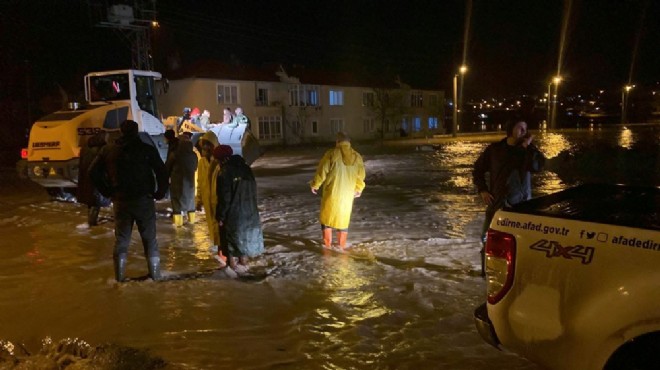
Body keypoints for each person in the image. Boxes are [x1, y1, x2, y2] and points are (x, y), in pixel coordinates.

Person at [89, 120, 169, 282]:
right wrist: (160, 192)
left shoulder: (108, 150)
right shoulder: (146, 149)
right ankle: (155, 277)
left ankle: (119, 279)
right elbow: (161, 171)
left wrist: (108, 191)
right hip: (144, 199)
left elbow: (93, 172)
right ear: (136, 131)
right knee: (149, 239)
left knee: (122, 239)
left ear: (121, 132)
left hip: (120, 200)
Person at [472, 117, 545, 276]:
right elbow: (478, 170)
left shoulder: (528, 151)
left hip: (521, 205)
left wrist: (529, 148)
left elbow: (537, 166)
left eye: (525, 129)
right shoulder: (495, 150)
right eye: (520, 128)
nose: (524, 132)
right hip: (497, 202)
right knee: (486, 238)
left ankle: (516, 273)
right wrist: (483, 190)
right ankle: (486, 273)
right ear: (510, 129)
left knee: (520, 241)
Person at [309, 131, 366, 250]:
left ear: (337, 142)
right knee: (343, 220)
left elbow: (322, 171)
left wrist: (315, 184)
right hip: (347, 195)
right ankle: (341, 246)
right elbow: (360, 176)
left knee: (326, 219)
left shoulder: (331, 154)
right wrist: (359, 188)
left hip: (332, 193)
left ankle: (327, 245)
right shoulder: (357, 157)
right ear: (349, 142)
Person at [214, 145, 264, 275]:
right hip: (250, 212)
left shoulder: (224, 172)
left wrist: (221, 216)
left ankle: (231, 269)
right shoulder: (246, 168)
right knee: (243, 243)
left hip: (233, 213)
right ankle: (244, 266)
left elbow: (224, 197)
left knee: (229, 242)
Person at [196, 131, 227, 265]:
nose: (206, 148)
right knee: (214, 232)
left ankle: (225, 258)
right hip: (209, 202)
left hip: (219, 202)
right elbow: (200, 182)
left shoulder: (220, 162)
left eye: (209, 145)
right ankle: (221, 257)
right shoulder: (202, 162)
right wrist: (199, 200)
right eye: (204, 145)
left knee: (222, 231)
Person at [77, 130, 111, 226]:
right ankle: (92, 223)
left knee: (91, 202)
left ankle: (91, 221)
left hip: (85, 178)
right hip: (96, 177)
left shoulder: (85, 147)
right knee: (95, 202)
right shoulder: (102, 149)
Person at [166, 131, 198, 226]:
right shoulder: (193, 155)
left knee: (177, 206)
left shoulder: (175, 154)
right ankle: (191, 225)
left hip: (177, 183)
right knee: (191, 203)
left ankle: (178, 229)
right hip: (190, 184)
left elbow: (167, 167)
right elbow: (195, 167)